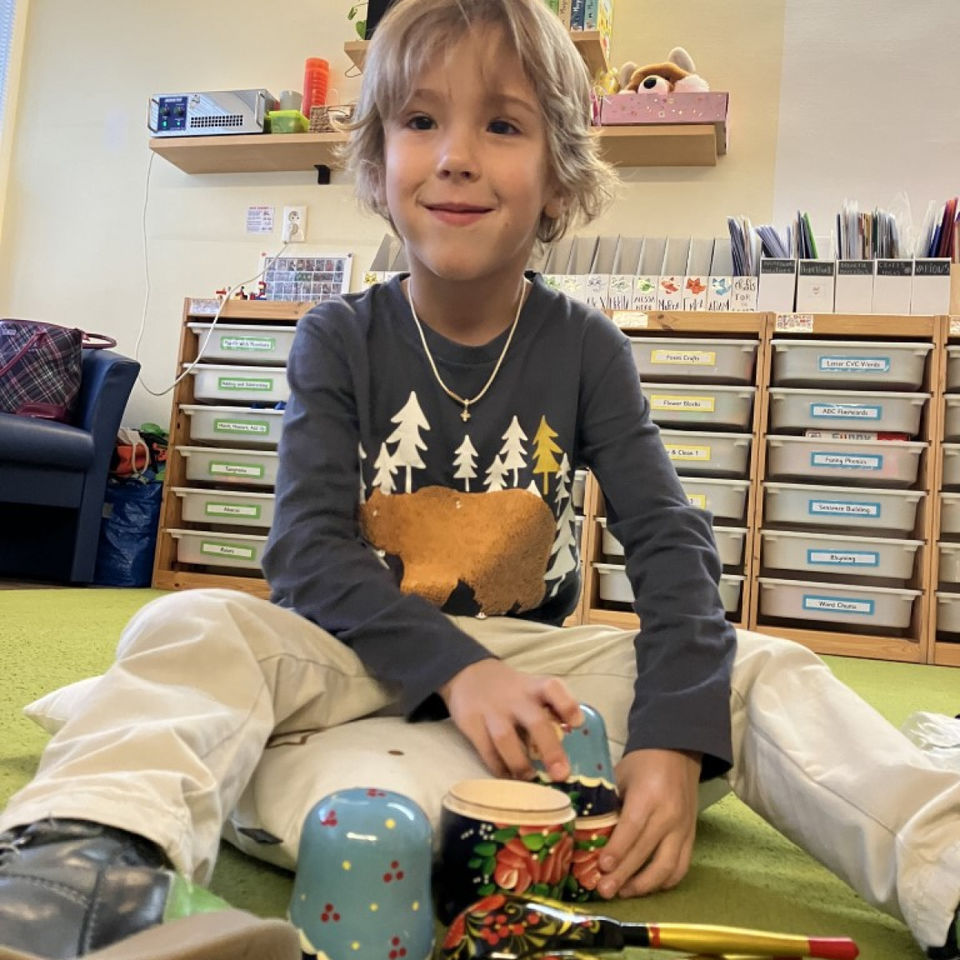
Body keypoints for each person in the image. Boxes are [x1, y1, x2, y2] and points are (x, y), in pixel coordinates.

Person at [1, 0, 958, 958]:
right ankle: (81, 863)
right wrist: (457, 671)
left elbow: (671, 545)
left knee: (760, 668)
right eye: (421, 121)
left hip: (531, 680)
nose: (456, 155)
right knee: (191, 624)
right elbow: (305, 556)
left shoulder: (589, 349)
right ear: (377, 164)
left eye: (501, 125)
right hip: (355, 662)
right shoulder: (338, 336)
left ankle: (946, 872)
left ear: (557, 179)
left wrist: (671, 743)